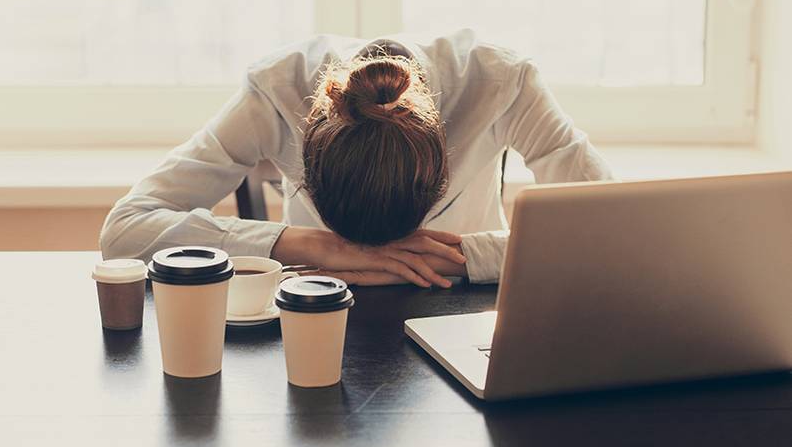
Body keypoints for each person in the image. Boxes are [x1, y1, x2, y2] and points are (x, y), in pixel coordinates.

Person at [100, 29, 613, 288]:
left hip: (466, 307)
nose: (382, 255)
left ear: (442, 161)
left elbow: (616, 230)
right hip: (318, 296)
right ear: (307, 159)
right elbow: (125, 230)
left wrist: (459, 257)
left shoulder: (503, 81)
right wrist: (311, 245)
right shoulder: (277, 87)